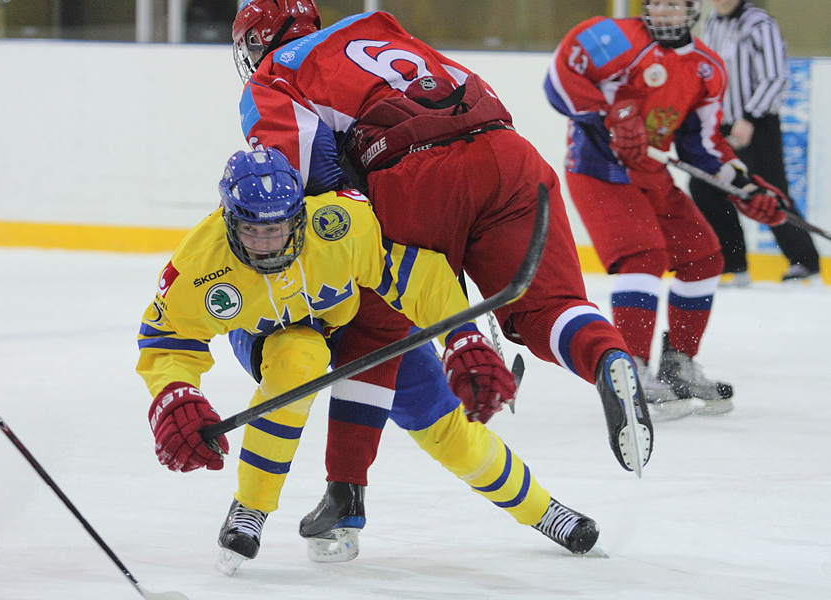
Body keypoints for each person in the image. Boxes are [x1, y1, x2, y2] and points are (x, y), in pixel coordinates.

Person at [229, 0, 653, 543]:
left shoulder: (273, 75)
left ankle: (346, 492)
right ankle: (607, 358)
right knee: (548, 306)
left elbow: (315, 184)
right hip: (510, 152)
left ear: (259, 41)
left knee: (373, 327)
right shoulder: (375, 26)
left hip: (417, 170)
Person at [136, 148, 600, 575]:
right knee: (301, 360)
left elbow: (417, 279)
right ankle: (251, 507)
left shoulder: (341, 224)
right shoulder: (199, 264)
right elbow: (166, 340)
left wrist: (462, 335)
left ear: (299, 215)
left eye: (276, 229)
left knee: (445, 427)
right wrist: (177, 394)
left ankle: (544, 510)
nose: (266, 245)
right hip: (274, 339)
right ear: (228, 220)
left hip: (358, 329)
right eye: (251, 230)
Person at [544, 0, 791, 421]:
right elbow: (559, 80)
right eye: (655, 2)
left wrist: (747, 187)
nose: (662, 11)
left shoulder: (706, 68)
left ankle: (678, 366)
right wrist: (608, 117)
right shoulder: (615, 38)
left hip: (651, 173)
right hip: (598, 167)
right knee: (645, 255)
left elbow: (704, 147)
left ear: (692, 10)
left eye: (674, 4)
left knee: (703, 255)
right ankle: (632, 371)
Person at [690, 0, 820, 285]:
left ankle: (805, 262)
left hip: (757, 124)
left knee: (769, 192)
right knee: (706, 187)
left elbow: (775, 77)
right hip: (721, 126)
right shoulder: (710, 22)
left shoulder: (759, 23)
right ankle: (734, 264)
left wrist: (750, 117)